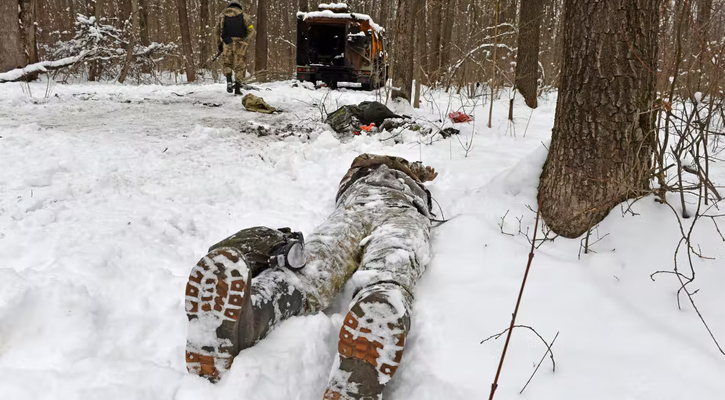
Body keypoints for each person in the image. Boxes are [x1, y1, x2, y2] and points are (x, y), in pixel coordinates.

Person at [184, 154, 438, 400]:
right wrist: (418, 173)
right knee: (388, 264)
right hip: (392, 209)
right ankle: (250, 315)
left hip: (360, 209)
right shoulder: (387, 170)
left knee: (317, 266)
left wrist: (418, 172)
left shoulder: (368, 171)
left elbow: (390, 165)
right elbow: (391, 164)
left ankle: (262, 306)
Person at [214, 0, 254, 95]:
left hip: (226, 41)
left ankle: (228, 80)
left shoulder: (221, 15)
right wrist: (245, 40)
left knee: (227, 63)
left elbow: (216, 31)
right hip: (240, 43)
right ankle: (237, 88)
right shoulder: (244, 15)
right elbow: (251, 29)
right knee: (239, 65)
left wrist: (219, 44)